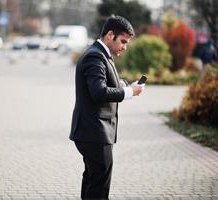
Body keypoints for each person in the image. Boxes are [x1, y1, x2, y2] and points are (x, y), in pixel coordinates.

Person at [69, 15, 145, 199]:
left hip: (92, 132)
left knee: (93, 180)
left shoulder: (101, 54)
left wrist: (121, 85)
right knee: (99, 188)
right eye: (123, 41)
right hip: (94, 132)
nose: (124, 47)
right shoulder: (95, 56)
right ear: (110, 35)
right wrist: (129, 92)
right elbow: (99, 92)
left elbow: (101, 83)